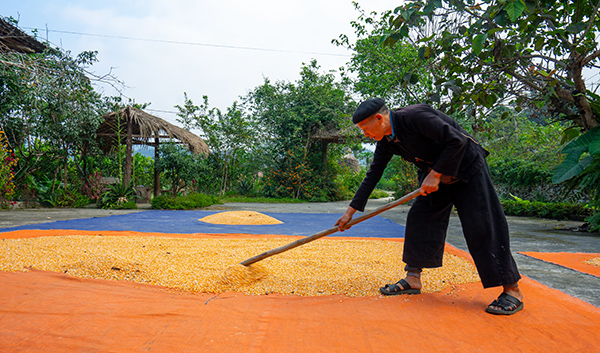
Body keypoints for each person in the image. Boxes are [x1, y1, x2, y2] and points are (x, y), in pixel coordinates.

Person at [334, 98, 524, 315]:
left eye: (365, 129)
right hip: (435, 177)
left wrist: (434, 175)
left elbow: (456, 141)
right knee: (420, 219)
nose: (365, 135)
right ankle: (413, 279)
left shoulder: (414, 117)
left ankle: (512, 290)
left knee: (482, 225)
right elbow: (373, 175)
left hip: (467, 169)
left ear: (379, 118)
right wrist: (350, 212)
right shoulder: (387, 141)